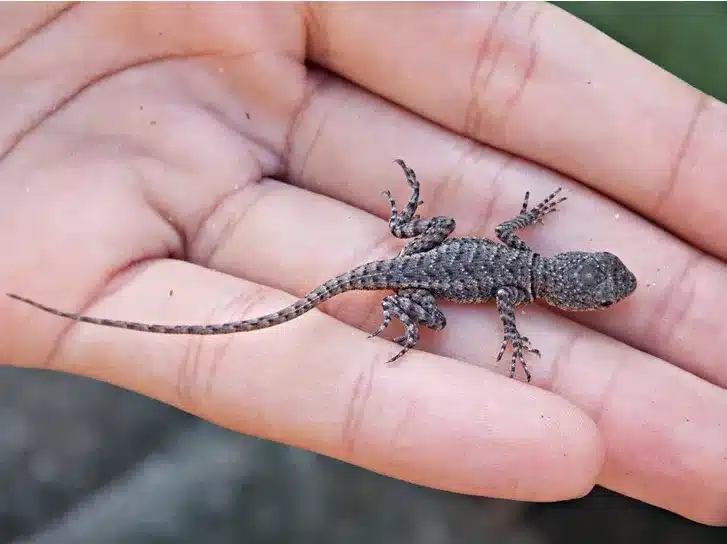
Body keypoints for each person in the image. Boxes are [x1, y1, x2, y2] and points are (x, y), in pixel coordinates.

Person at [2, 3, 725, 527]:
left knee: (432, 266)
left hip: (419, 254)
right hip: (411, 272)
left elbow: (507, 241)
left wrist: (494, 236)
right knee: (432, 316)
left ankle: (403, 282)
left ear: (569, 277)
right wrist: (481, 331)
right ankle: (402, 316)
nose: (606, 285)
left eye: (601, 285)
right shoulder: (515, 284)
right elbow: (507, 305)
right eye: (601, 281)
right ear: (566, 285)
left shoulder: (516, 259)